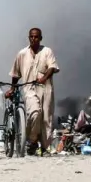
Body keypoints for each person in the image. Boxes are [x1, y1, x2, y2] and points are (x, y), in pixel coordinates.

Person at [9, 28, 60, 156]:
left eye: (36, 37)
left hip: (46, 88)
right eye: (31, 37)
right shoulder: (22, 54)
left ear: (41, 38)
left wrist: (43, 78)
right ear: (28, 38)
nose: (33, 39)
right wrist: (13, 88)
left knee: (46, 118)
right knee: (34, 112)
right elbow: (15, 74)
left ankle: (44, 148)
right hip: (29, 88)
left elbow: (52, 67)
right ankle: (32, 140)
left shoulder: (47, 51)